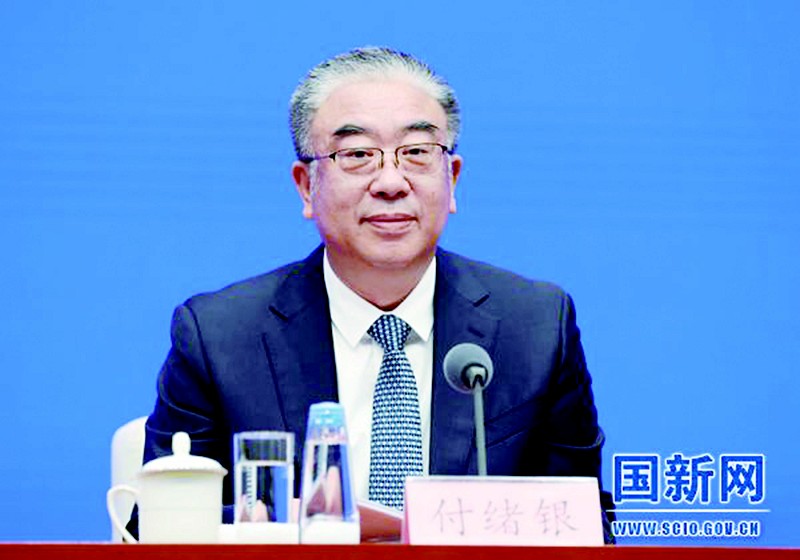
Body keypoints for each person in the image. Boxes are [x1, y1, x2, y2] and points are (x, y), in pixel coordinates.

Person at [140, 46, 612, 539]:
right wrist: (267, 525)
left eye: (417, 152)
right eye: (357, 155)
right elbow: (152, 527)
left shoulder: (535, 328)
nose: (391, 182)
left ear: (452, 180)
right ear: (306, 186)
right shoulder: (220, 338)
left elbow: (588, 525)